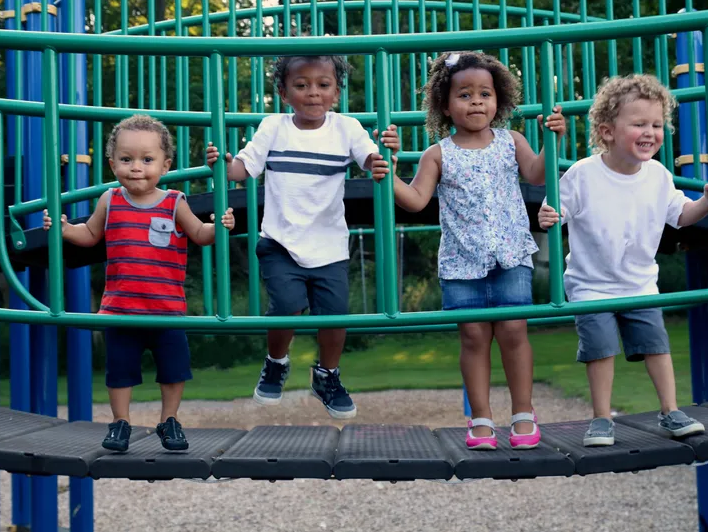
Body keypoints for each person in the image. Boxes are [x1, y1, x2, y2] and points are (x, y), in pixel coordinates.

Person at [373, 51, 566, 450]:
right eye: (464, 95)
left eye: (485, 94)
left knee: (514, 332)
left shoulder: (511, 141)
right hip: (462, 263)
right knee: (474, 338)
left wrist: (553, 141)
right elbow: (415, 200)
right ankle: (480, 419)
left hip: (511, 254)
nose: (476, 102)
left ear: (499, 101)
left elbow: (536, 174)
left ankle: (523, 414)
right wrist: (389, 177)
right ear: (445, 104)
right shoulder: (438, 153)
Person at [538, 74, 708, 446]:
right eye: (639, 124)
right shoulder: (583, 174)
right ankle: (601, 419)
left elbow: (680, 215)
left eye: (657, 125)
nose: (650, 132)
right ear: (607, 131)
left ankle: (670, 411)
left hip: (640, 283)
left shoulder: (657, 176)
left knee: (656, 345)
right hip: (592, 285)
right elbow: (555, 209)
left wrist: (706, 203)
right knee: (601, 347)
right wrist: (550, 215)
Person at [206, 55, 399, 419]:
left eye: (323, 85)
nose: (313, 93)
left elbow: (372, 160)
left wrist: (383, 158)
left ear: (336, 92)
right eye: (301, 85)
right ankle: (276, 361)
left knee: (335, 316)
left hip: (329, 245)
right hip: (280, 241)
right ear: (283, 93)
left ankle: (327, 375)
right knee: (288, 304)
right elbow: (242, 170)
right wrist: (221, 163)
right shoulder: (274, 127)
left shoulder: (346, 128)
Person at [43, 114, 235, 452]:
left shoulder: (174, 201)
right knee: (120, 371)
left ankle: (170, 420)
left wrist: (219, 226)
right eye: (126, 159)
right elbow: (90, 234)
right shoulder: (110, 200)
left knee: (174, 371)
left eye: (147, 160)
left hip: (166, 309)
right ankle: (120, 423)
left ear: (165, 165)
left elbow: (199, 235)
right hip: (120, 309)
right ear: (112, 163)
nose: (136, 167)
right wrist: (64, 229)